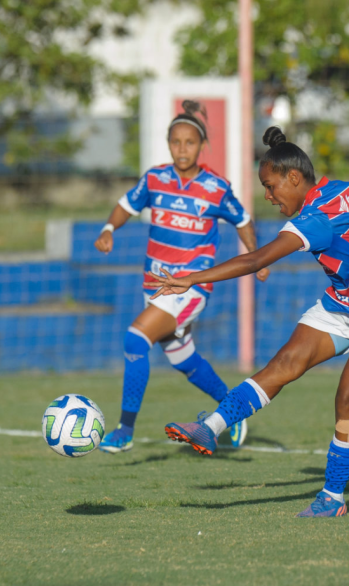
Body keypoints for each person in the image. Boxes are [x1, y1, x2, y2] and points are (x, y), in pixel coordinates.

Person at [149, 126, 349, 517]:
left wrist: (190, 278)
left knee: (347, 399)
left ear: (294, 177)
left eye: (270, 186)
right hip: (341, 305)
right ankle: (209, 427)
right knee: (284, 364)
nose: (268, 196)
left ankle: (333, 497)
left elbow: (256, 259)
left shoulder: (312, 220)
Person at [95, 100, 268, 454]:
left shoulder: (216, 187)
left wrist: (257, 259)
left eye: (190, 142)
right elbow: (126, 205)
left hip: (190, 288)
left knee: (135, 340)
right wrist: (109, 228)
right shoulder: (155, 179)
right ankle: (232, 410)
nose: (182, 149)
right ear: (169, 143)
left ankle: (124, 431)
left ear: (201, 145)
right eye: (176, 142)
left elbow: (243, 220)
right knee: (181, 358)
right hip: (154, 286)